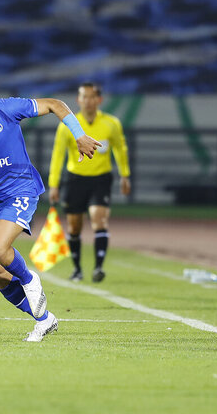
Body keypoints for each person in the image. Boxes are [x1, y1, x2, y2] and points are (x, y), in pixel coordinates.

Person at [0, 64, 101, 342]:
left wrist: (79, 135)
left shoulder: (4, 108)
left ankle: (29, 279)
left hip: (20, 189)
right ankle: (44, 319)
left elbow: (54, 104)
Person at [48, 82, 131, 283]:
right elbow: (58, 155)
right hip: (75, 180)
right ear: (78, 100)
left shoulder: (111, 123)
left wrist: (125, 175)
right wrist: (54, 184)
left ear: (99, 100)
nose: (88, 101)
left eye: (92, 97)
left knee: (99, 220)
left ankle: (98, 267)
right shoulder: (68, 124)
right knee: (74, 227)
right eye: (84, 97)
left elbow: (121, 149)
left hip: (100, 179)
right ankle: (77, 269)